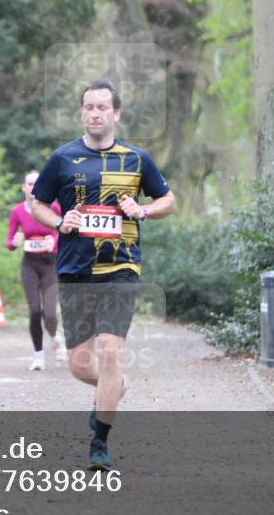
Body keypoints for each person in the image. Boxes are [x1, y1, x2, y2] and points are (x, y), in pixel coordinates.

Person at [31, 80, 175, 470]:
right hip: (75, 269)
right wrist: (61, 221)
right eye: (88, 107)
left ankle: (100, 443)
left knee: (111, 352)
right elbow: (37, 204)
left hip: (121, 267)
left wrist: (142, 211)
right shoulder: (62, 158)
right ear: (81, 113)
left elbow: (168, 200)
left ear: (116, 114)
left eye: (102, 107)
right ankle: (115, 388)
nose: (95, 113)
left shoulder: (136, 159)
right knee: (80, 365)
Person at [6, 171, 66, 371]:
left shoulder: (53, 207)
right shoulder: (17, 211)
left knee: (49, 311)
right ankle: (38, 356)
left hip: (51, 264)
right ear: (24, 187)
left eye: (37, 183)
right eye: (30, 183)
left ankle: (54, 335)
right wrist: (14, 242)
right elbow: (10, 241)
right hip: (30, 265)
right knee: (34, 311)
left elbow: (65, 231)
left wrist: (54, 239)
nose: (33, 187)